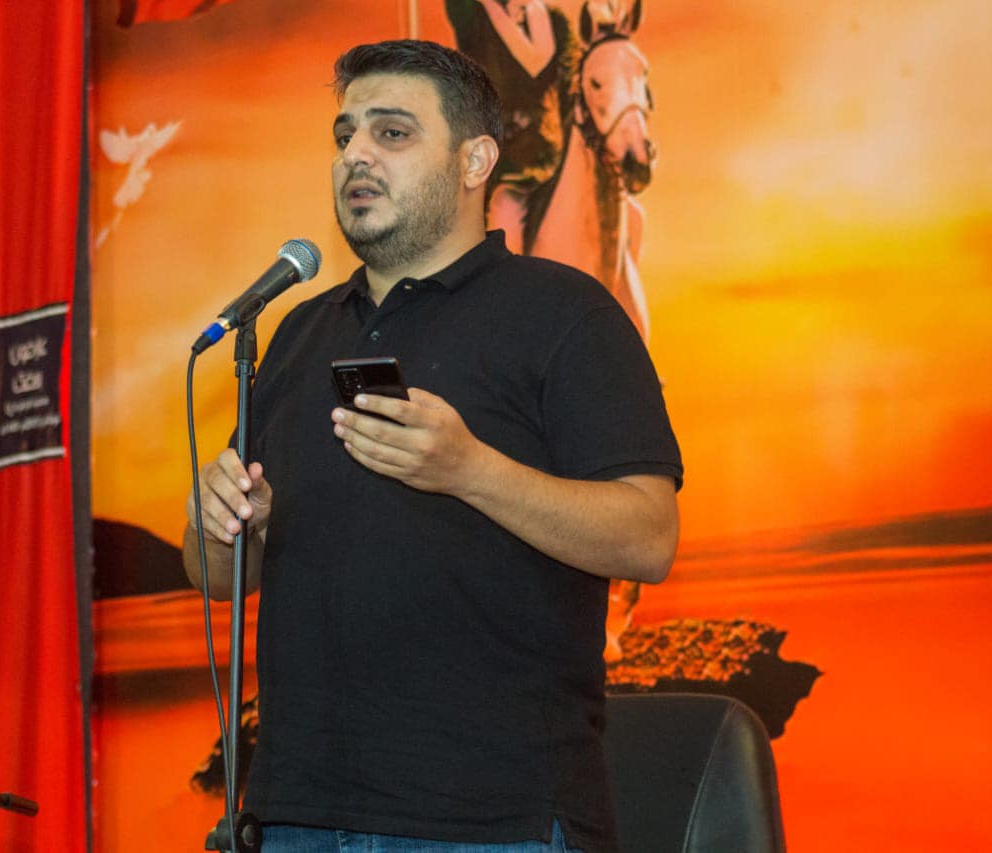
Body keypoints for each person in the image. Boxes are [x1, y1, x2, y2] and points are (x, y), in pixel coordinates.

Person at [183, 39, 681, 853]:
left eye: (392, 133)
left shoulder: (566, 314)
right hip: (296, 815)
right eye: (344, 135)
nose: (356, 155)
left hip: (492, 822)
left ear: (475, 160)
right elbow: (212, 574)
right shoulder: (299, 334)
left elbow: (649, 536)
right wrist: (222, 521)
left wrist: (471, 469)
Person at [445, 0, 576, 255]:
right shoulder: (473, 14)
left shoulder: (555, 22)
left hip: (552, 157)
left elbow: (566, 92)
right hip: (497, 159)